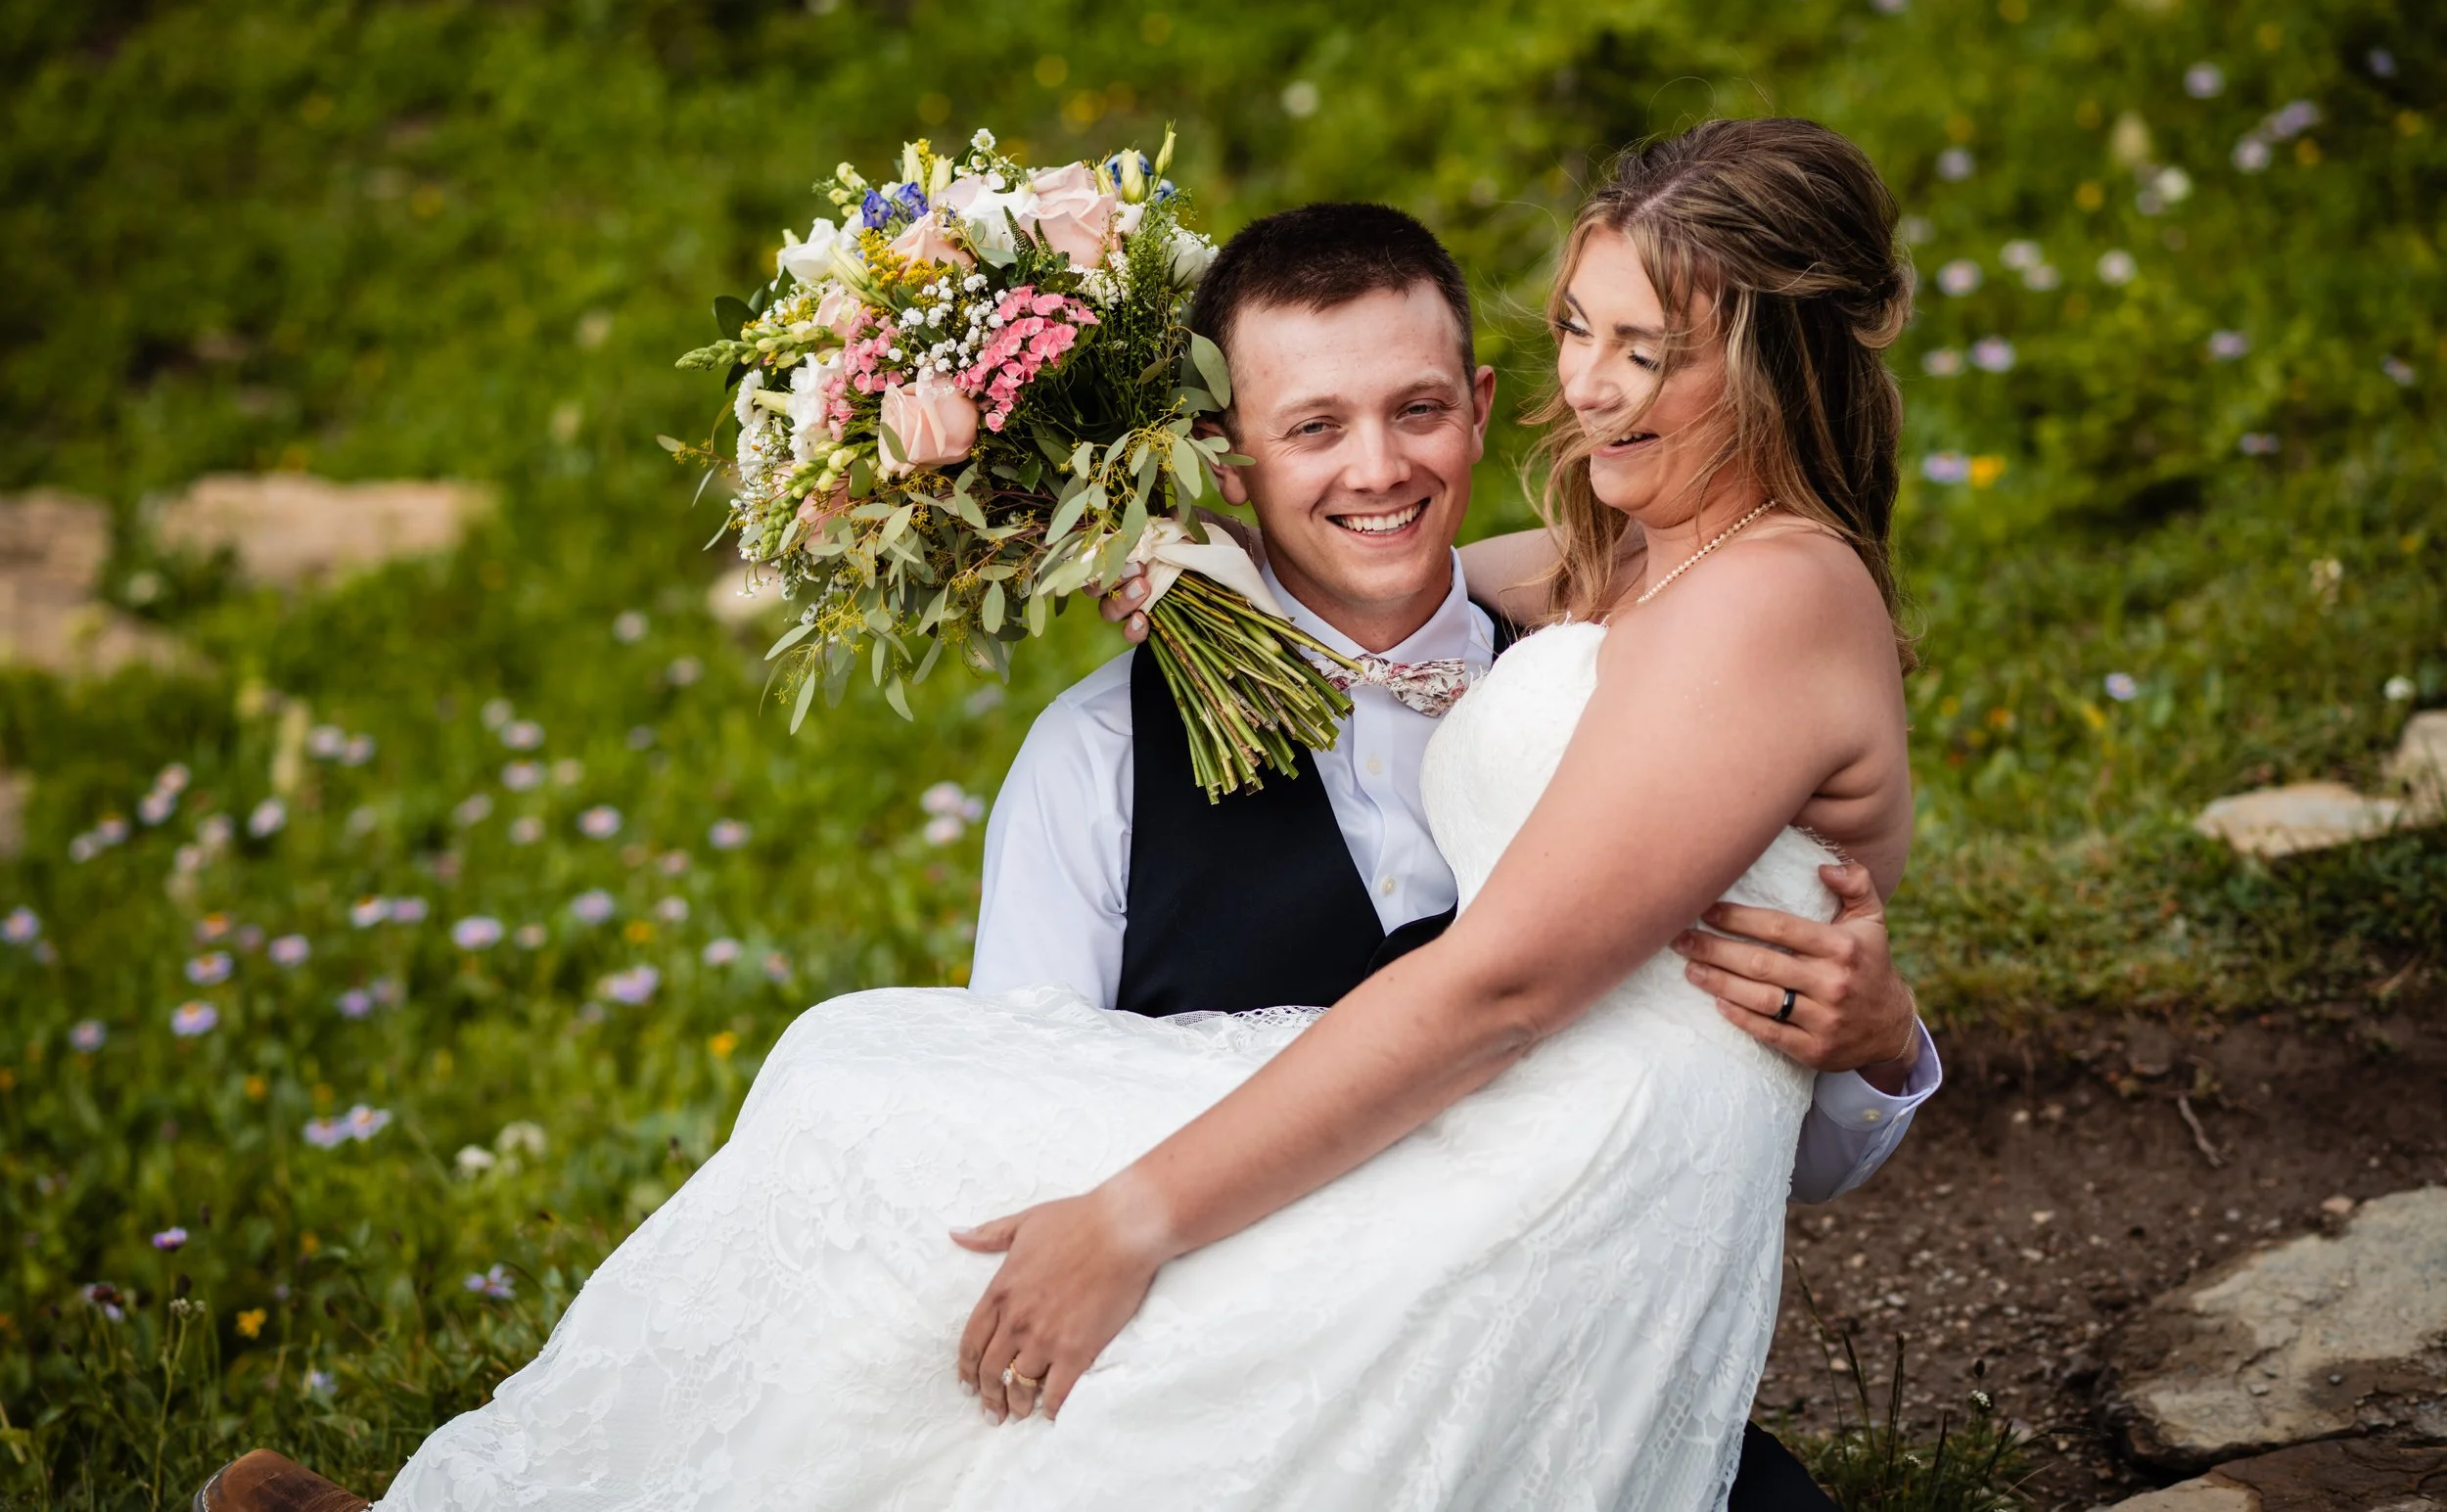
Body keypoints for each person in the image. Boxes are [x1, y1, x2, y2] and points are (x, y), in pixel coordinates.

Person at [216, 115, 1919, 1512]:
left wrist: (1136, 1217)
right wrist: (1199, 557)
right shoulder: (1641, 560)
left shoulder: (1757, 595)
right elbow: (1450, 583)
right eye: (1577, 329)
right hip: (1498, 1118)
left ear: (1765, 361)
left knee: (921, 1163)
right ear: (1232, 453)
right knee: (870, 1097)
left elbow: (1512, 985)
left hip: (1547, 1164)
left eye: (1647, 351)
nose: (1590, 389)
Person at [967, 199, 1939, 1506]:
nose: (1377, 469)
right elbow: (1023, 1154)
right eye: (1313, 428)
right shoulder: (1096, 765)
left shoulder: (1629, 656)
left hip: (1570, 1370)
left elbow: (1748, 1134)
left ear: (1479, 408)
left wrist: (1877, 1051)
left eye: (1417, 410)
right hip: (1230, 1375)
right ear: (1223, 453)